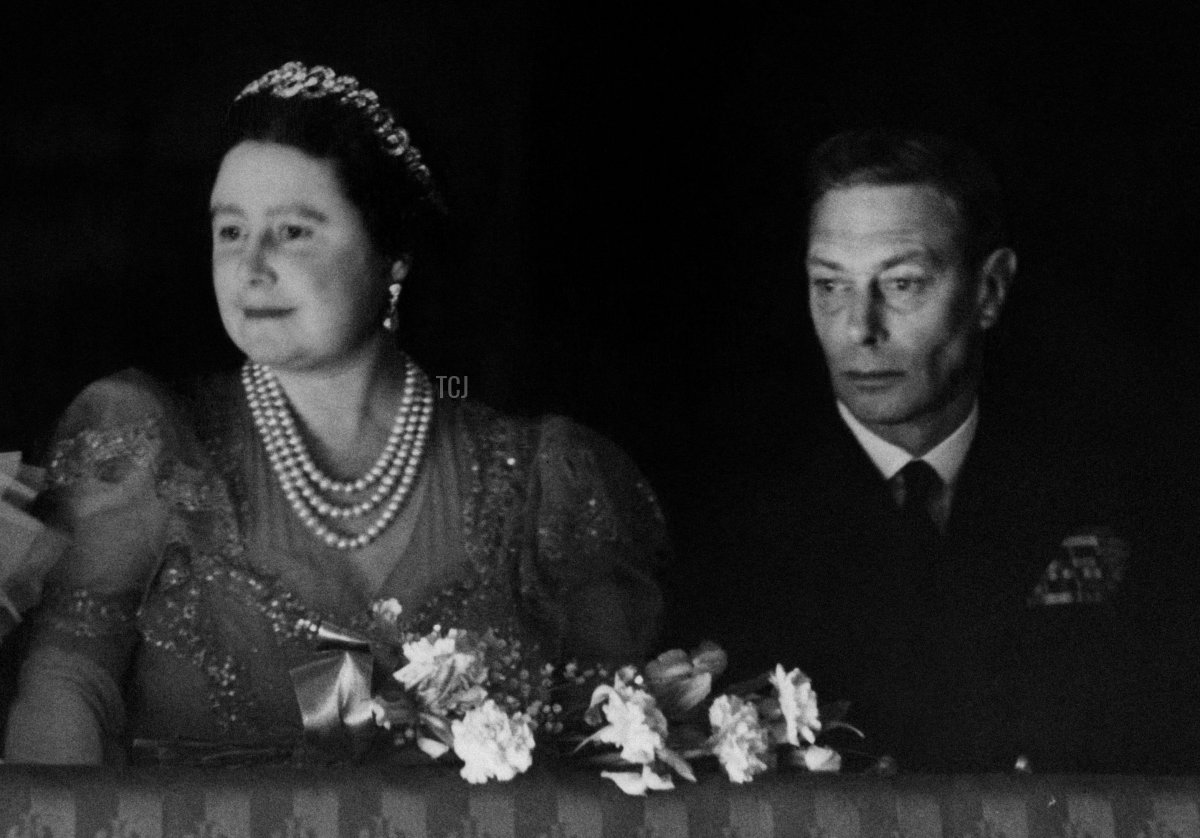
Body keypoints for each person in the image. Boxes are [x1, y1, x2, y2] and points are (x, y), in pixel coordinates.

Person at [4, 62, 667, 765]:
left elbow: (610, 757)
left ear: (394, 255)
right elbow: (66, 688)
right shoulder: (147, 448)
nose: (250, 265)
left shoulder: (539, 481)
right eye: (230, 232)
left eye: (293, 232)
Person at [666, 129, 1159, 772]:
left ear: (989, 290)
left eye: (901, 284)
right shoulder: (730, 514)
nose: (858, 329)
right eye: (830, 285)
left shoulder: (1107, 478)